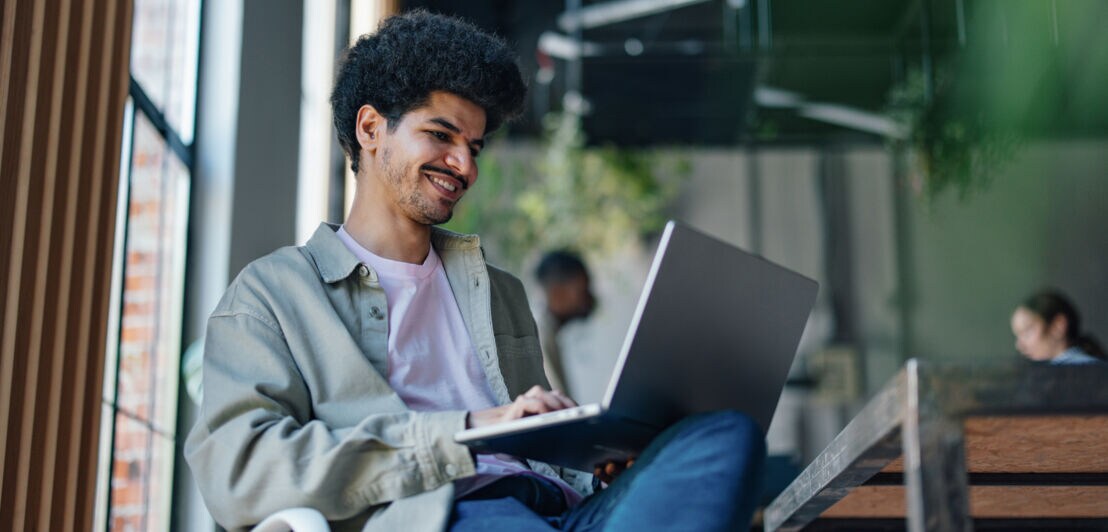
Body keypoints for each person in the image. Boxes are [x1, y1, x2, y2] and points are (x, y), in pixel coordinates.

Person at [185, 10, 764, 531]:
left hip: (563, 509)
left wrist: (600, 465)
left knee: (723, 435)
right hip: (438, 513)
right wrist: (465, 430)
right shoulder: (274, 295)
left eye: (474, 147)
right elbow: (240, 472)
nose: (463, 165)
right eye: (440, 135)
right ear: (369, 129)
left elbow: (536, 449)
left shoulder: (500, 293)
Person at [534, 250, 596, 395]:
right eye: (583, 290)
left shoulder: (547, 332)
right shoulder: (540, 336)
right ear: (557, 293)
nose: (589, 299)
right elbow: (561, 412)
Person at [1010, 289, 1106, 365]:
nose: (1020, 345)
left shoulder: (1085, 372)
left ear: (1058, 326)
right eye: (1018, 335)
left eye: (1027, 331)